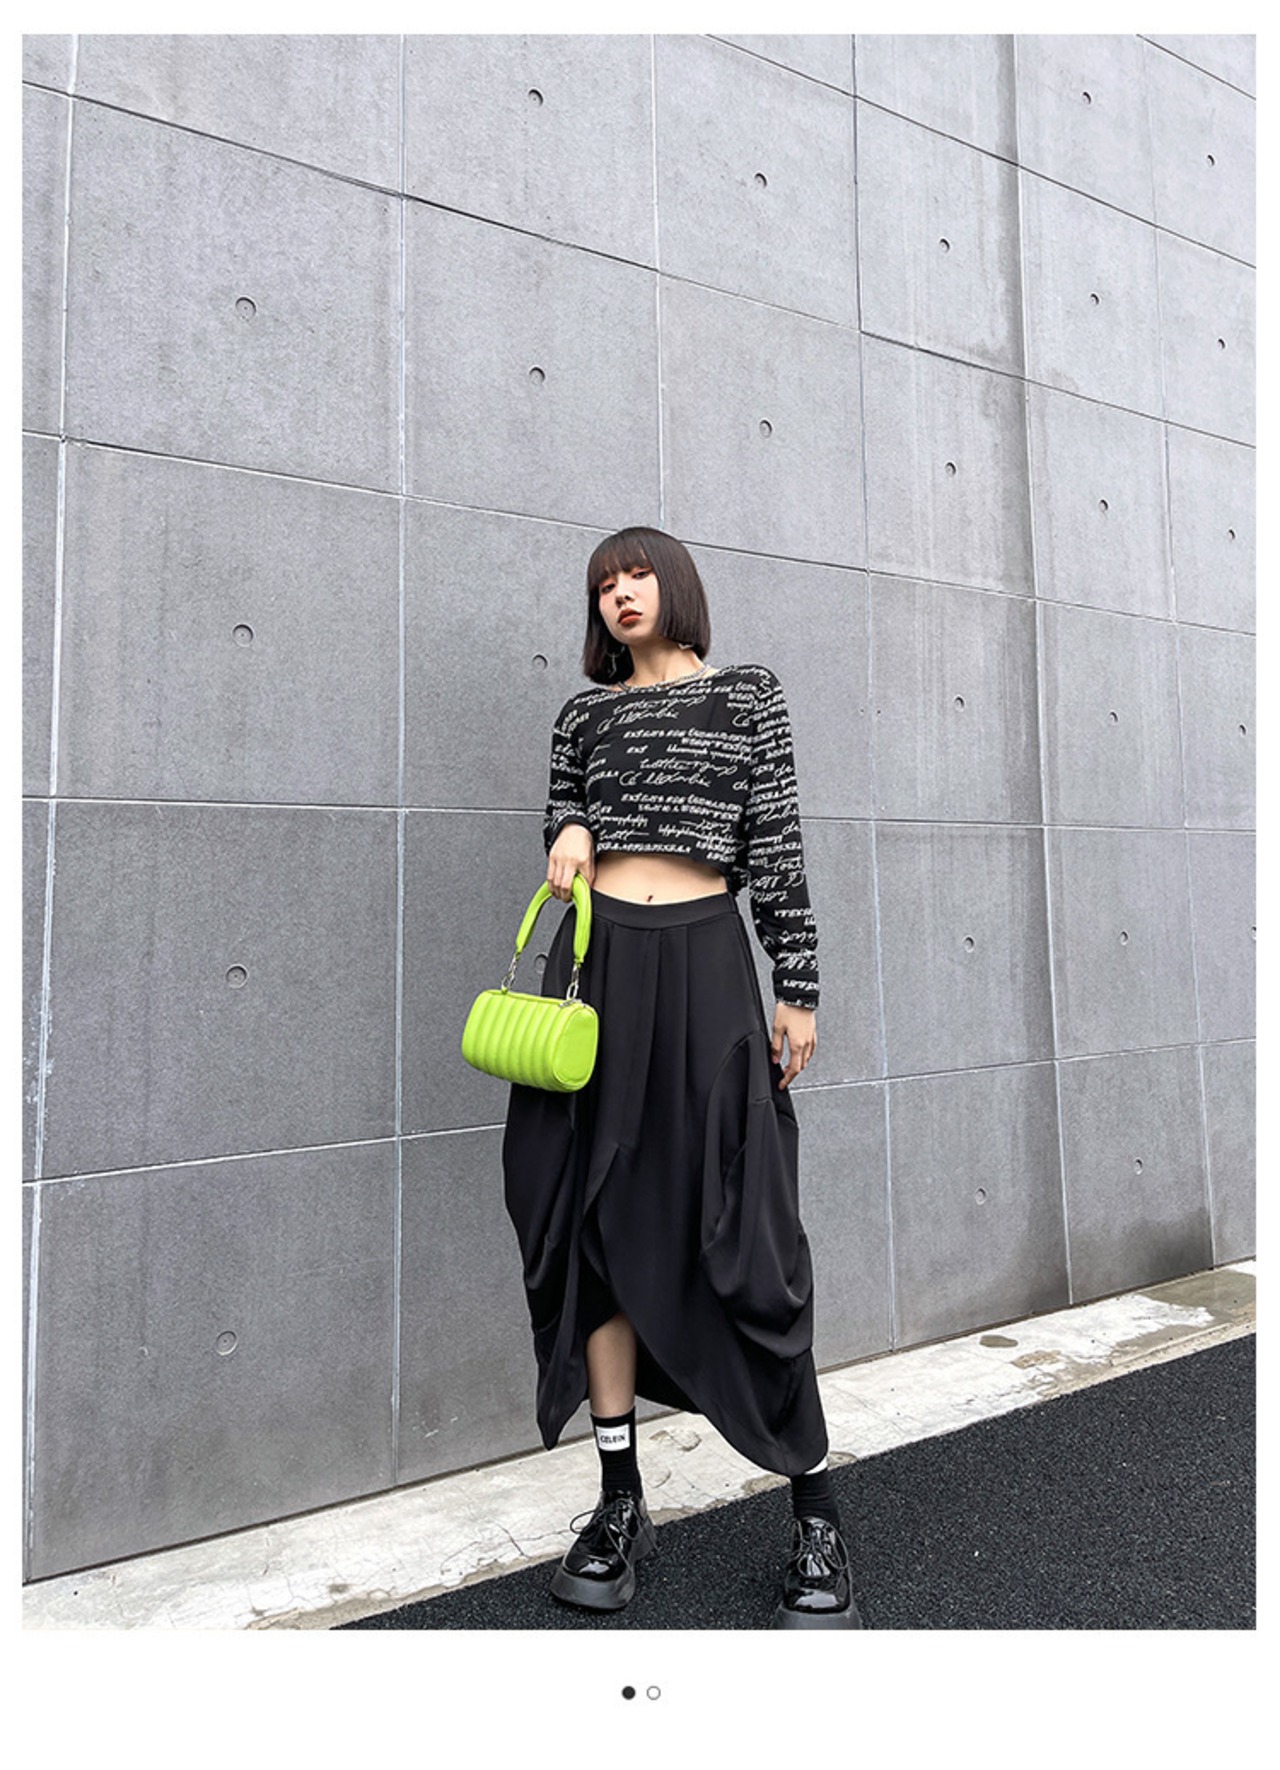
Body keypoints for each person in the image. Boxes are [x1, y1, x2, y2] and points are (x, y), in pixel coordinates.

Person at [501, 525, 860, 1629]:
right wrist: (570, 827)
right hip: (599, 971)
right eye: (603, 585)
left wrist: (796, 984)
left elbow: (776, 844)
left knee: (752, 1230)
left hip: (706, 966)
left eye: (637, 575)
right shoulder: (583, 716)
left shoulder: (747, 696)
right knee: (594, 1223)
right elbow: (565, 813)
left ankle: (813, 1509)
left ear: (675, 585)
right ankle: (620, 1502)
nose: (620, 594)